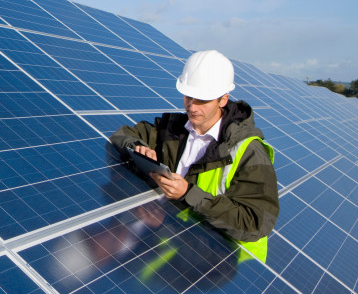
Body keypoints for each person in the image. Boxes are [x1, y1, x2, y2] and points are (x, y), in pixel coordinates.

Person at [111, 50, 279, 262]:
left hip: (224, 263)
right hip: (174, 242)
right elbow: (122, 135)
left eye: (202, 100)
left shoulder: (249, 152)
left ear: (223, 99)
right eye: (188, 96)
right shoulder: (173, 129)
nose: (192, 106)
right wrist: (138, 147)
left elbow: (255, 223)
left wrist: (188, 194)